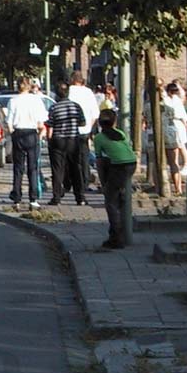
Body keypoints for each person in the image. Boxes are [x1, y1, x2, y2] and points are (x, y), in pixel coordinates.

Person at [94, 109, 137, 249]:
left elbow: (99, 161)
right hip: (131, 163)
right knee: (120, 196)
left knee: (111, 202)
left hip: (119, 167)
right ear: (114, 122)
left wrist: (104, 184)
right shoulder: (121, 134)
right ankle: (122, 195)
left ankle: (116, 238)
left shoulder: (99, 138)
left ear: (100, 123)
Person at [8, 78, 49, 211]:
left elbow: (9, 122)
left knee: (18, 168)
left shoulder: (13, 101)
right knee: (33, 168)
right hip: (32, 134)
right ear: (30, 87)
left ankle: (17, 199)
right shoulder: (36, 100)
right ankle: (33, 199)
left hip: (18, 133)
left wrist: (12, 134)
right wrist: (40, 135)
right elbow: (42, 122)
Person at [46, 82, 86, 206]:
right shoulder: (76, 106)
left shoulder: (54, 108)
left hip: (58, 141)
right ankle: (80, 198)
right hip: (73, 140)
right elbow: (83, 123)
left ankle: (56, 197)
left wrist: (49, 140)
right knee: (76, 168)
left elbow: (50, 126)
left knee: (57, 169)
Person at [68, 71, 100, 190]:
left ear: (72, 79)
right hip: (85, 130)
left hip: (70, 130)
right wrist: (89, 127)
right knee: (84, 157)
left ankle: (72, 181)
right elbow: (95, 114)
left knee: (71, 158)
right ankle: (84, 182)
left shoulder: (69, 91)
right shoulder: (88, 92)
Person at [164, 82, 187, 179]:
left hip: (177, 123)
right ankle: (177, 165)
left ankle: (185, 165)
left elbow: (181, 114)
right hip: (174, 123)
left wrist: (185, 123)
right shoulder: (170, 100)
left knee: (181, 145)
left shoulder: (176, 100)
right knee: (177, 146)